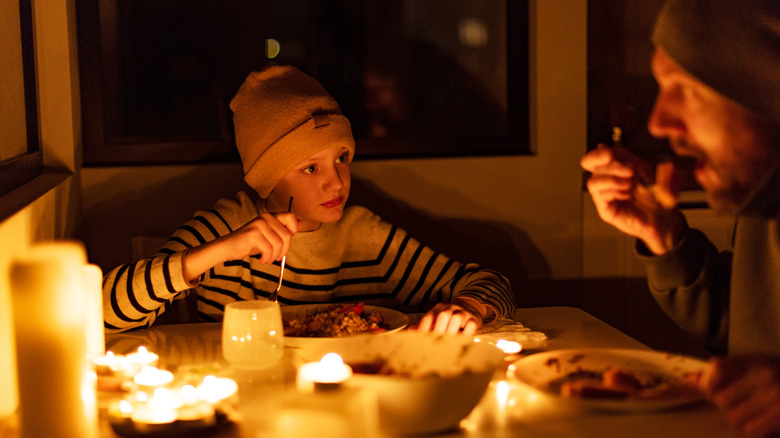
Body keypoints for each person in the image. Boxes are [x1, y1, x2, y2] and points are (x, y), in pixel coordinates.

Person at [103, 65, 516, 337]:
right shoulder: (225, 226)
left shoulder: (363, 235)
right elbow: (105, 309)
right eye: (310, 168)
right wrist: (218, 252)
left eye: (341, 159)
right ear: (268, 177)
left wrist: (467, 307)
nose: (335, 183)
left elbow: (491, 284)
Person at [580, 0, 780, 436]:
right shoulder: (765, 199)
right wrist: (666, 240)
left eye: (686, 89)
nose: (657, 122)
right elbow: (748, 328)